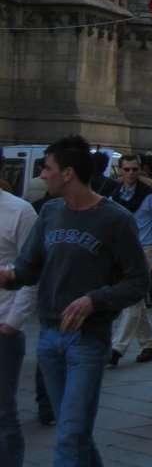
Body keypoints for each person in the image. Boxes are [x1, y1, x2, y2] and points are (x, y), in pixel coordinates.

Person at [0, 135, 150, 466]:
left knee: (68, 436)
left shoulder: (115, 219)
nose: (42, 175)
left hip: (87, 340)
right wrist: (8, 276)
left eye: (47, 168)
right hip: (49, 338)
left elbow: (139, 281)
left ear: (67, 173)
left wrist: (94, 300)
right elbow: (27, 269)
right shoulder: (50, 213)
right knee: (76, 435)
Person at [108, 154, 152, 367]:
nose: (131, 173)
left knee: (132, 297)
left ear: (140, 170)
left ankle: (117, 348)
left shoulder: (151, 196)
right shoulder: (114, 196)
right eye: (127, 169)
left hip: (144, 250)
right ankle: (148, 345)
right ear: (120, 170)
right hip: (122, 251)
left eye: (135, 169)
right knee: (137, 300)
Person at [0, 151, 38, 467]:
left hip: (2, 327)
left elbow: (33, 273)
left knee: (3, 411)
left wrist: (12, 322)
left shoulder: (20, 212)